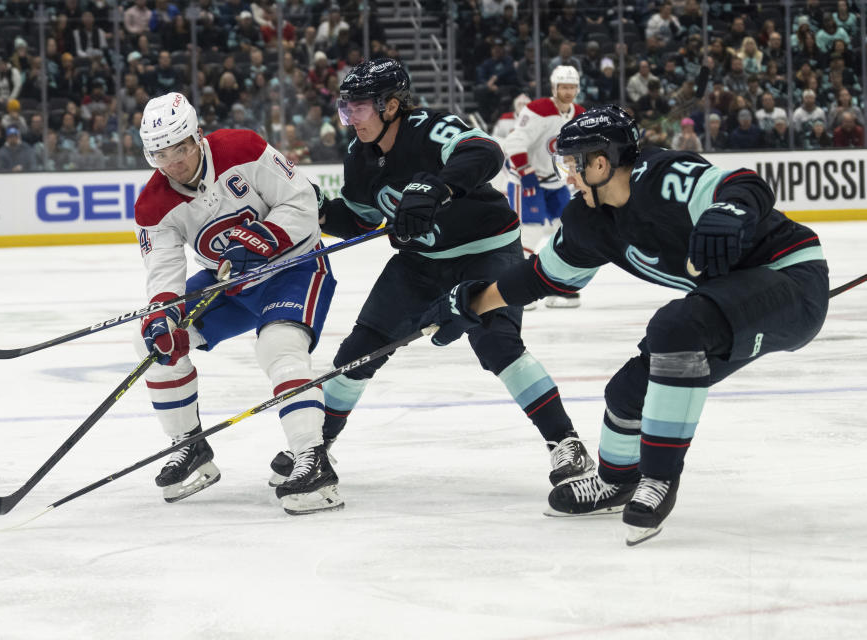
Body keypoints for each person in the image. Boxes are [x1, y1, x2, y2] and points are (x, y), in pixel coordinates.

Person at [423, 105, 829, 545]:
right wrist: (473, 304)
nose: (567, 177)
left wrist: (727, 210)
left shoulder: (663, 177)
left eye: (571, 165)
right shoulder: (589, 221)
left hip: (791, 281)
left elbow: (745, 184)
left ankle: (658, 479)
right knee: (626, 391)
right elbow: (539, 277)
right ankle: (617, 482)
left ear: (600, 163)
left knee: (675, 328)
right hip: (729, 301)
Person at [266, 58, 596, 492]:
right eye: (347, 109)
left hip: (487, 250)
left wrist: (436, 187)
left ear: (391, 106)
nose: (351, 119)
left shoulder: (429, 128)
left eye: (360, 108)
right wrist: (319, 209)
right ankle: (317, 448)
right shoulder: (358, 157)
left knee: (498, 342)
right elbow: (363, 218)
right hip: (420, 263)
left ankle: (566, 442)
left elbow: (484, 152)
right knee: (360, 349)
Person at [134, 92, 341, 515]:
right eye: (161, 155)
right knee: (153, 343)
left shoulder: (242, 149)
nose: (174, 163)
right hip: (229, 284)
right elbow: (163, 268)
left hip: (295, 266)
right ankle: (189, 446)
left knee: (279, 347)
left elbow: (302, 201)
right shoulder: (152, 205)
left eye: (180, 148)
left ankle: (312, 460)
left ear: (197, 137)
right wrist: (163, 314)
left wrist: (265, 238)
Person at [502, 65, 584, 308]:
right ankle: (519, 289)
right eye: (564, 87)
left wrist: (575, 177)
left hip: (556, 179)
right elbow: (515, 142)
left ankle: (563, 286)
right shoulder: (537, 110)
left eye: (572, 87)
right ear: (554, 87)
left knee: (568, 228)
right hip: (526, 177)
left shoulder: (579, 113)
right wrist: (526, 174)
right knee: (530, 231)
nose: (568, 92)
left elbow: (578, 150)